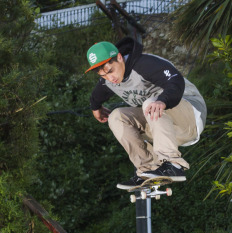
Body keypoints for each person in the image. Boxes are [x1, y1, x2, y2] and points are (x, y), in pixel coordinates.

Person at [85, 37, 206, 190]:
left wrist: (163, 100)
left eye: (110, 71)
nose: (110, 78)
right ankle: (148, 169)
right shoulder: (109, 81)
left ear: (120, 58)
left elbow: (176, 80)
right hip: (165, 129)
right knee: (116, 117)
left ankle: (173, 164)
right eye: (103, 76)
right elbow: (96, 95)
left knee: (150, 104)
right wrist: (96, 109)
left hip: (190, 116)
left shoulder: (144, 64)